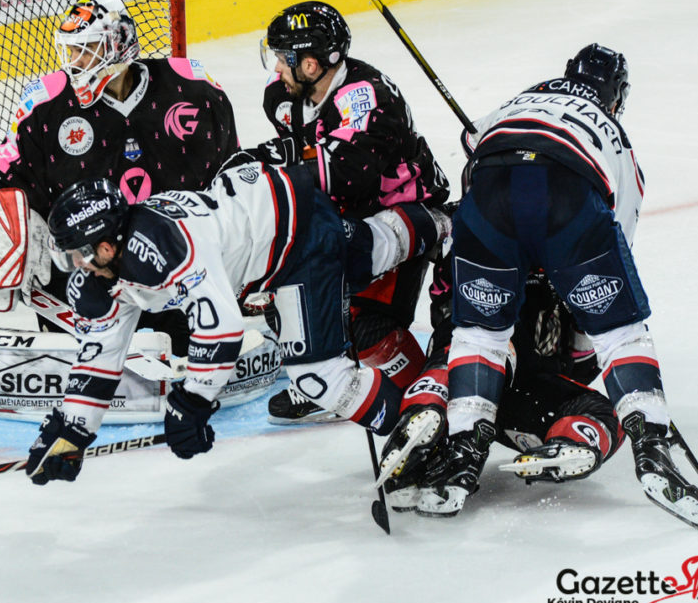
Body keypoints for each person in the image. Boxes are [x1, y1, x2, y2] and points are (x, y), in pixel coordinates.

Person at [405, 44, 698, 527]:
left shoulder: (522, 99)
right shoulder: (615, 136)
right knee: (618, 331)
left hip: (487, 199)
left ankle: (461, 457)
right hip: (567, 196)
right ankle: (651, 446)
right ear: (615, 96)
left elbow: (472, 140)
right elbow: (617, 236)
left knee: (479, 335)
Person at [22, 164, 450, 484]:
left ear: (107, 243)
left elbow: (221, 328)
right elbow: (100, 356)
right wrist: (71, 430)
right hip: (270, 213)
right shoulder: (108, 269)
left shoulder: (160, 249)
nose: (77, 265)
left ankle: (424, 441)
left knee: (318, 375)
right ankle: (447, 222)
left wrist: (192, 404)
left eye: (81, 253)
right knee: (364, 251)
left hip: (294, 239)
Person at [227, 1, 450, 423]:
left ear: (310, 65)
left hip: (402, 212)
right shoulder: (284, 95)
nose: (276, 68)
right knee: (287, 283)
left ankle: (431, 401)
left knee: (367, 328)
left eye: (283, 57)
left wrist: (264, 168)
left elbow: (344, 176)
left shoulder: (368, 100)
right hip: (347, 216)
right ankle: (328, 371)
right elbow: (308, 159)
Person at [0, 0, 241, 353]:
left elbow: (231, 176)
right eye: (70, 51)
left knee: (191, 349)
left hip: (175, 265)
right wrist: (10, 248)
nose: (74, 62)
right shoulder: (46, 104)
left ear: (119, 46)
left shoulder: (193, 89)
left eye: (86, 49)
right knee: (81, 358)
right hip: (86, 269)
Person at [378, 259, 624, 514]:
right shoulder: (485, 243)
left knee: (605, 413)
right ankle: (430, 421)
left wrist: (577, 316)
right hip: (472, 350)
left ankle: (567, 443)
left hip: (516, 384)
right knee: (488, 352)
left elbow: (582, 366)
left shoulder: (569, 264)